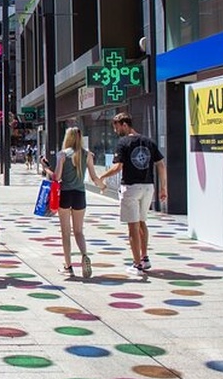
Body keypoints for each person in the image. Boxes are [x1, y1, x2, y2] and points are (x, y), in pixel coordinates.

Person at [98, 112, 167, 275]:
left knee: (133, 227)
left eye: (116, 127)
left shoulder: (124, 142)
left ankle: (137, 265)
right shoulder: (148, 142)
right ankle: (145, 258)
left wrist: (101, 176)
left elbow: (118, 167)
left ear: (124, 124)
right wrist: (163, 187)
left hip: (131, 188)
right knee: (142, 222)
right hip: (148, 187)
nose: (116, 131)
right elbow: (161, 165)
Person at [41, 127, 104, 277]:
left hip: (65, 194)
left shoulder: (62, 154)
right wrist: (102, 186)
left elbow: (57, 177)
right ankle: (84, 255)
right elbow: (94, 177)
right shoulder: (87, 154)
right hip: (80, 194)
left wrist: (45, 168)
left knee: (65, 232)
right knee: (79, 231)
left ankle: (68, 266)